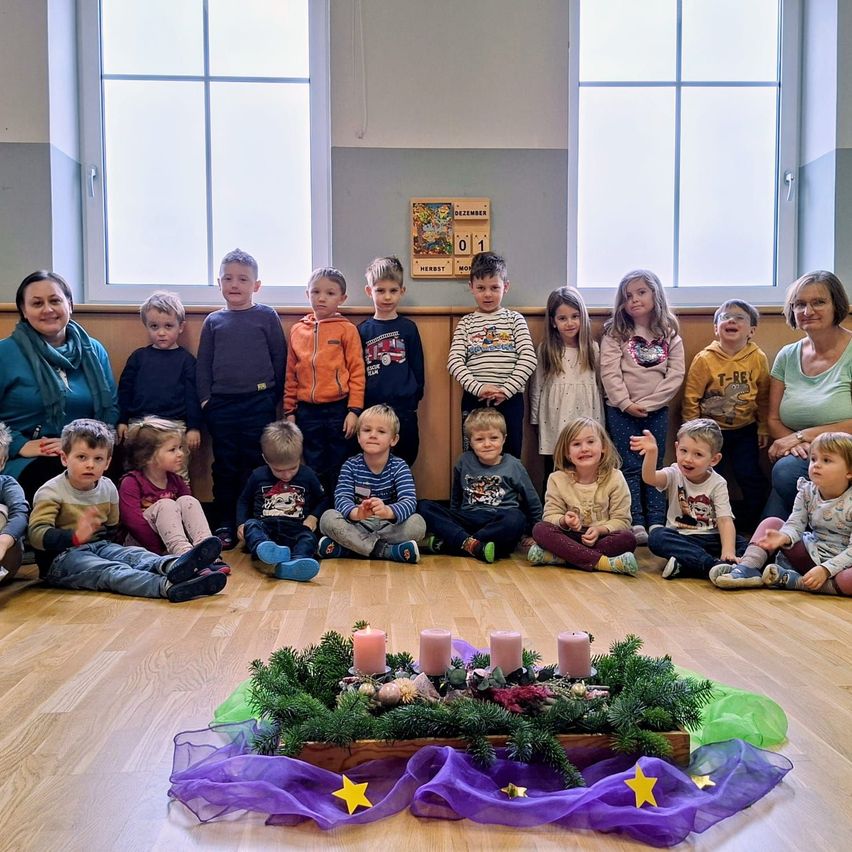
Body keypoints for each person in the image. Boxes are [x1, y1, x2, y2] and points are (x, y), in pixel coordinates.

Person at [28, 419, 227, 602]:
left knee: (135, 555)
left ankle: (175, 565)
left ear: (107, 462)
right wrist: (74, 537)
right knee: (111, 571)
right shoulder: (50, 492)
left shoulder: (106, 487)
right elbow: (35, 535)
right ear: (64, 458)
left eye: (98, 459)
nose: (90, 464)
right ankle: (166, 585)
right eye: (81, 457)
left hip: (100, 545)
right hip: (62, 558)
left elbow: (113, 527)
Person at [196, 249, 287, 549]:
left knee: (255, 464)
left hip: (258, 403)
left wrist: (274, 398)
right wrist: (207, 401)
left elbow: (279, 357)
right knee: (225, 466)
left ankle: (253, 522)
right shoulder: (213, 321)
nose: (234, 284)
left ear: (256, 285)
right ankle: (224, 521)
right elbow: (203, 365)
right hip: (222, 406)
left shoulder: (266, 316)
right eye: (228, 278)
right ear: (218, 282)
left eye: (243, 279)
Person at [0, 270, 118, 501]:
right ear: (24, 311)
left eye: (55, 300)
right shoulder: (5, 353)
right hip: (27, 459)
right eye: (37, 303)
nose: (48, 309)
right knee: (58, 480)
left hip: (88, 453)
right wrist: (20, 445)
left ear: (70, 305)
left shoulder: (94, 351)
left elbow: (111, 410)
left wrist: (78, 445)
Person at [600, 269, 685, 545]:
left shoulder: (668, 332)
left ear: (655, 294)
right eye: (628, 296)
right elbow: (609, 372)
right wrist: (625, 403)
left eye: (641, 292)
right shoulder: (616, 333)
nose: (634, 300)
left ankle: (657, 520)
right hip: (620, 410)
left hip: (656, 410)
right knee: (630, 466)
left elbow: (675, 375)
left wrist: (649, 404)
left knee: (654, 463)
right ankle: (635, 520)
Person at [711, 432, 852, 595]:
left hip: (841, 565)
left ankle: (797, 582)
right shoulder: (806, 491)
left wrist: (825, 570)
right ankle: (747, 568)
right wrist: (783, 537)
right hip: (811, 552)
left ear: (849, 471)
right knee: (772, 523)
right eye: (813, 459)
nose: (816, 465)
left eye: (826, 460)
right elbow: (795, 524)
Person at [763, 271, 852, 519]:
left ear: (837, 305)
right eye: (800, 304)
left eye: (818, 302)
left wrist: (803, 437)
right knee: (786, 474)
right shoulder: (787, 355)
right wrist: (797, 445)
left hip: (845, 453)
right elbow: (773, 419)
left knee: (786, 474)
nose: (807, 310)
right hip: (803, 457)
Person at [681, 300, 770, 532]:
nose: (731, 320)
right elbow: (691, 397)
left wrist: (763, 427)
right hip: (710, 434)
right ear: (716, 328)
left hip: (745, 430)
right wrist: (691, 434)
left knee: (748, 474)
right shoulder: (704, 359)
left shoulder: (757, 358)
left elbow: (763, 396)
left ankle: (754, 522)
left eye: (740, 318)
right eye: (725, 317)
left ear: (751, 330)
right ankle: (708, 521)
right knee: (708, 476)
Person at [418, 408, 542, 563]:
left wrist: (537, 534)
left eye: (494, 438)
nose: (487, 444)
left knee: (516, 518)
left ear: (504, 439)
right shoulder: (464, 461)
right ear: (470, 442)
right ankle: (474, 546)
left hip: (498, 522)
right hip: (468, 518)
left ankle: (454, 544)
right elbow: (456, 497)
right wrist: (452, 522)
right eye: (479, 439)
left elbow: (533, 502)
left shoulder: (513, 465)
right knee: (423, 506)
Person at [630, 418, 747, 580]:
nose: (688, 459)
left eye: (698, 454)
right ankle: (711, 565)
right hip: (680, 537)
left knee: (747, 546)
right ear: (677, 448)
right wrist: (652, 453)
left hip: (711, 537)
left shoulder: (718, 483)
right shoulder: (674, 473)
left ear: (714, 460)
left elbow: (725, 521)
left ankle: (687, 565)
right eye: (683, 451)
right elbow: (650, 478)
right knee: (657, 536)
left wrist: (728, 552)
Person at [447, 251, 536, 459]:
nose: (488, 294)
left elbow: (529, 358)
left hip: (510, 399)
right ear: (471, 287)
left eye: (494, 288)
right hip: (474, 399)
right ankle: (473, 491)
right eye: (481, 288)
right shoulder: (466, 323)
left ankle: (510, 493)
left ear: (506, 286)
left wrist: (506, 390)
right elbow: (454, 362)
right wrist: (478, 388)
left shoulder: (515, 320)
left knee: (511, 453)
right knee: (473, 453)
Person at [284, 267, 366, 492]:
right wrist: (289, 411)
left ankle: (341, 509)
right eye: (315, 292)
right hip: (307, 411)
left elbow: (358, 371)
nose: (321, 298)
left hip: (339, 409)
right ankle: (319, 512)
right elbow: (291, 373)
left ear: (342, 298)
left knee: (340, 461)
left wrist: (354, 410)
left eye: (330, 293)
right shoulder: (297, 330)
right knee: (313, 462)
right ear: (307, 294)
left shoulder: (347, 329)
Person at [528, 418, 638, 575]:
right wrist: (564, 520)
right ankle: (604, 563)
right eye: (576, 444)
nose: (584, 449)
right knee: (540, 529)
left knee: (627, 539)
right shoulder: (557, 479)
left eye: (591, 442)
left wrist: (599, 530)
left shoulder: (615, 478)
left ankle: (561, 557)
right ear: (567, 452)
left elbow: (622, 521)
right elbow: (550, 516)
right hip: (569, 537)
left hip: (601, 538)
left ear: (604, 447)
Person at [118, 418, 229, 572]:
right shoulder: (131, 482)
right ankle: (184, 557)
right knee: (166, 504)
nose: (180, 454)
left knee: (188, 500)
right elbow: (133, 523)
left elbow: (188, 516)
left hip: (171, 544)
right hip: (142, 545)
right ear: (148, 456)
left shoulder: (176, 480)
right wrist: (161, 549)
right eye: (172, 450)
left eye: (180, 448)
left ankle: (205, 552)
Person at [319, 405, 425, 563]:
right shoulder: (350, 465)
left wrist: (387, 511)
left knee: (418, 524)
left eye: (381, 431)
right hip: (357, 524)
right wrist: (357, 513)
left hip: (388, 526)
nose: (373, 435)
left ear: (393, 439)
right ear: (358, 437)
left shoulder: (399, 466)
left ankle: (349, 549)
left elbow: (409, 501)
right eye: (367, 430)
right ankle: (386, 551)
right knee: (327, 519)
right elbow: (341, 498)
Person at [116, 291, 203, 480]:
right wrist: (122, 420)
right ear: (146, 326)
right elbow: (124, 390)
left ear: (181, 327)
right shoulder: (138, 357)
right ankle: (135, 508)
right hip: (140, 424)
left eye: (168, 326)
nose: (161, 332)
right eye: (154, 326)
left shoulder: (187, 361)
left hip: (175, 425)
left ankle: (181, 507)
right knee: (136, 471)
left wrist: (194, 427)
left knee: (177, 473)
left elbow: (193, 396)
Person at [529, 287, 603, 479]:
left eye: (575, 316)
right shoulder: (546, 349)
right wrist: (535, 420)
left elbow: (600, 386)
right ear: (553, 322)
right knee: (556, 470)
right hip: (555, 417)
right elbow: (537, 387)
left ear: (582, 317)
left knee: (586, 465)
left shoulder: (592, 349)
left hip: (587, 413)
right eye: (562, 318)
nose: (570, 323)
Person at [236, 420, 323, 582]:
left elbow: (323, 499)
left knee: (309, 537)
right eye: (279, 470)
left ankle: (295, 563)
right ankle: (266, 550)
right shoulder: (257, 476)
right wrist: (241, 523)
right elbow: (243, 501)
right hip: (266, 530)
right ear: (266, 459)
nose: (287, 476)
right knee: (251, 525)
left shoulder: (308, 475)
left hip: (295, 529)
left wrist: (313, 517)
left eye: (292, 468)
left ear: (300, 456)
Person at [359, 256, 425, 466]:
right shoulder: (362, 331)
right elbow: (357, 371)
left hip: (403, 408)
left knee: (406, 455)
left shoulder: (408, 328)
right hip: (372, 409)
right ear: (369, 291)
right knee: (374, 459)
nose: (387, 297)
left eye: (393, 290)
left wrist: (413, 396)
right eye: (380, 290)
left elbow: (417, 366)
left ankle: (402, 498)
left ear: (402, 291)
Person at [0, 422, 30, 584]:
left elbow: (20, 514)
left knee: (1, 511)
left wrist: (3, 542)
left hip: (5, 556)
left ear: (2, 462)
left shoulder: (7, 484)